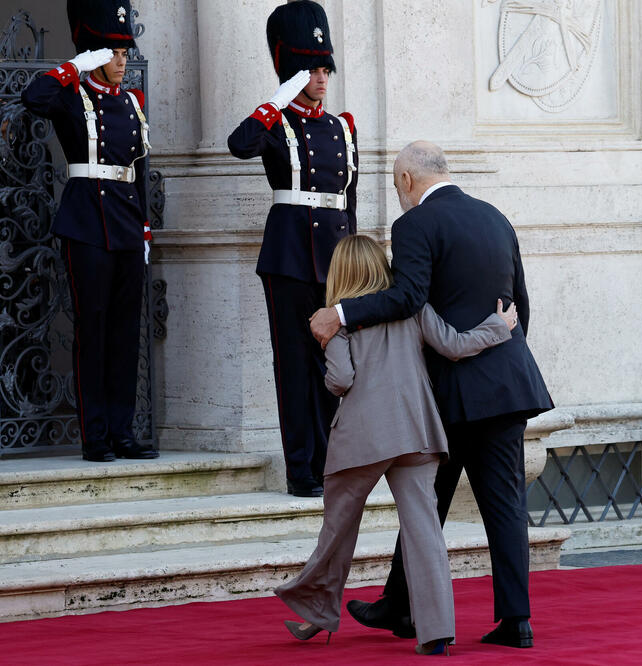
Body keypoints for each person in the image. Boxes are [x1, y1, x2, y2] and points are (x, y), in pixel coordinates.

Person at [309, 142, 553, 648]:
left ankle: (403, 609)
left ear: (405, 180)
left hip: (450, 391)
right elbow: (520, 306)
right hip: (507, 384)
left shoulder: (415, 223)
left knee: (425, 503)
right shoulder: (495, 218)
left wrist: (343, 314)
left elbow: (407, 298)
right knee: (500, 505)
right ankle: (514, 621)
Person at [275, 235, 518, 656]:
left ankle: (315, 612)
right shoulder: (414, 309)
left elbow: (341, 381)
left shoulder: (336, 323)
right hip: (416, 430)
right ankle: (436, 631)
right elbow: (455, 347)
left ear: (340, 275)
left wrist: (326, 350)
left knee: (337, 532)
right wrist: (499, 327)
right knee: (425, 533)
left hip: (361, 438)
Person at [227, 0, 358, 497]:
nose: (322, 78)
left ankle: (330, 463)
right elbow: (239, 144)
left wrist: (355, 267)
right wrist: (277, 97)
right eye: (311, 69)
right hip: (287, 259)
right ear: (292, 72)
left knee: (334, 365)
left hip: (334, 261)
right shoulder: (275, 124)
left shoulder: (343, 128)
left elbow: (349, 204)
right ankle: (301, 469)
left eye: (325, 68)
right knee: (293, 367)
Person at [20, 0, 156, 462]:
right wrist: (78, 62)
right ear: (95, 53)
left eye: (123, 52)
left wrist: (143, 230)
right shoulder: (70, 94)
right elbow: (32, 98)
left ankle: (121, 432)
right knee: (92, 330)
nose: (121, 61)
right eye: (112, 51)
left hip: (125, 224)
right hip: (85, 222)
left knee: (124, 332)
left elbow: (137, 170)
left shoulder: (132, 104)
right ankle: (93, 435)